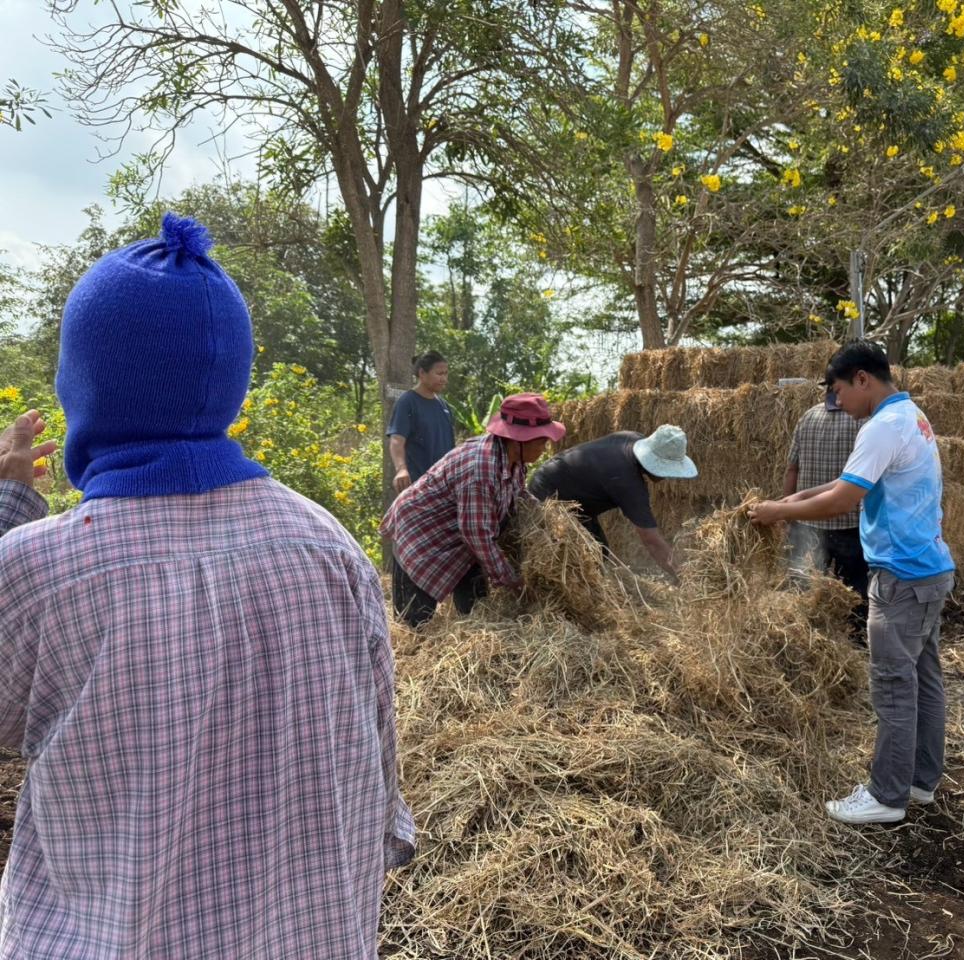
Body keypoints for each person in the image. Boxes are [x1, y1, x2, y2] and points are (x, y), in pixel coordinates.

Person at [0, 214, 414, 958]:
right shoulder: (329, 547)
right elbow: (380, 771)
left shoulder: (39, 570)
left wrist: (7, 506)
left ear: (82, 388)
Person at [749, 340, 954, 826]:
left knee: (892, 686)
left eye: (839, 390)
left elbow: (843, 500)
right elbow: (852, 482)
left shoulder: (882, 426)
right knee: (924, 679)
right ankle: (921, 781)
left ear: (862, 378)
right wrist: (798, 495)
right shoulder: (909, 417)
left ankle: (886, 796)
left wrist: (779, 510)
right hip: (927, 569)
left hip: (901, 576)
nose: (837, 402)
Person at [381, 392, 564, 627]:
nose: (544, 448)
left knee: (477, 612)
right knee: (416, 623)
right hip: (421, 537)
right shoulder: (481, 470)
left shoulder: (514, 460)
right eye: (541, 441)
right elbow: (476, 535)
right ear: (519, 439)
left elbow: (518, 495)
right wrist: (512, 580)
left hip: (459, 540)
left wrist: (549, 519)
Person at [528, 424, 696, 579]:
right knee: (574, 560)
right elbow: (651, 540)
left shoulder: (632, 439)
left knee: (599, 550)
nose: (667, 475)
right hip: (549, 498)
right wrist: (684, 578)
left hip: (571, 495)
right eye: (666, 468)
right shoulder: (625, 480)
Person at [387, 351, 456, 621]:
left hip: (442, 492)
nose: (443, 378)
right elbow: (396, 440)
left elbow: (449, 450)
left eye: (446, 373)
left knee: (435, 552)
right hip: (417, 491)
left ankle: (428, 613)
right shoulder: (408, 402)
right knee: (410, 551)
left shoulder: (444, 407)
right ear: (422, 374)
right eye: (439, 373)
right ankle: (408, 617)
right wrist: (401, 469)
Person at [784, 388, 868, 597]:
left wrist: (787, 512)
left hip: (806, 521)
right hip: (849, 523)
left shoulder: (808, 416)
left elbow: (791, 468)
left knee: (802, 592)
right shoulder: (864, 422)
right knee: (851, 594)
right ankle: (854, 630)